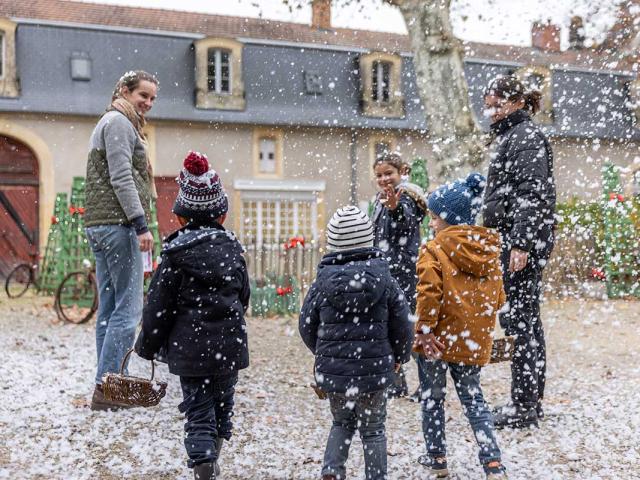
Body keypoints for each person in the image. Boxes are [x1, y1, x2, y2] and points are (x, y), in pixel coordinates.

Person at [135, 151, 250, 480]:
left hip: (191, 352)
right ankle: (211, 454)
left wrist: (147, 345)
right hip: (228, 349)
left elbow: (158, 307)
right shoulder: (233, 251)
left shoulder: (174, 255)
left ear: (181, 217)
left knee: (198, 410)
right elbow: (244, 297)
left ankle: (203, 463)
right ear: (222, 215)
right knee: (222, 406)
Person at [299, 206, 413, 480]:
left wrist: (326, 352)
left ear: (333, 242)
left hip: (336, 372)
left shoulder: (322, 282)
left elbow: (306, 325)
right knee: (373, 429)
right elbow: (403, 324)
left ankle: (332, 470)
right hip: (374, 372)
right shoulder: (385, 280)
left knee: (341, 423)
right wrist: (400, 356)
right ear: (369, 239)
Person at [413, 173, 508, 480]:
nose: (432, 223)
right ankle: (492, 462)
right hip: (469, 340)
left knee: (432, 399)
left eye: (435, 217)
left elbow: (429, 294)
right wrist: (472, 320)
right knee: (474, 399)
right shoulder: (487, 251)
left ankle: (437, 457)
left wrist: (425, 329)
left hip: (437, 340)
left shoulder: (434, 249)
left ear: (448, 218)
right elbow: (498, 298)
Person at [483, 75, 556, 429]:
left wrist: (521, 242)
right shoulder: (512, 137)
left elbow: (533, 193)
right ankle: (527, 401)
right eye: (488, 105)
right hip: (514, 239)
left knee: (520, 322)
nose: (490, 111)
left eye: (496, 105)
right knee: (522, 320)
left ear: (514, 103)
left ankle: (524, 405)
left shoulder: (524, 138)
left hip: (521, 244)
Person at [84, 70, 158, 411]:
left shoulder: (113, 121)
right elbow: (121, 176)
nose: (148, 103)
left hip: (102, 225)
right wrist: (141, 224)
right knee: (128, 311)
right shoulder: (118, 123)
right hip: (117, 226)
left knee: (110, 310)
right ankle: (109, 388)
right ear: (125, 91)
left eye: (153, 98)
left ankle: (109, 382)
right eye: (144, 95)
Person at [372, 152, 427, 398]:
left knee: (409, 327)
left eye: (389, 174)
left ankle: (428, 382)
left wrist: (394, 209)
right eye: (379, 175)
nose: (384, 179)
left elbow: (405, 220)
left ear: (402, 172)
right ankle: (395, 382)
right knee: (387, 326)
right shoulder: (379, 201)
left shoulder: (408, 198)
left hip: (403, 273)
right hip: (386, 271)